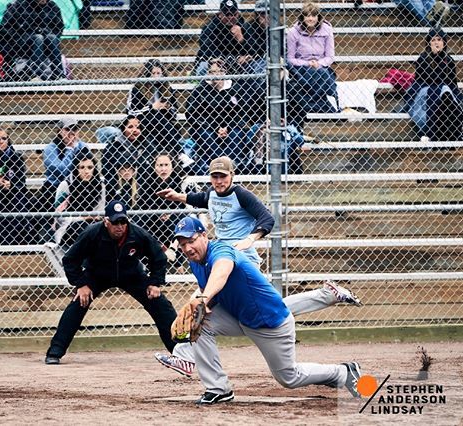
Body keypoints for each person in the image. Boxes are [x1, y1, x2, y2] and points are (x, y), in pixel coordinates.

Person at [154, 156, 362, 377]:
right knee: (266, 308)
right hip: (219, 258)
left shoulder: (241, 195)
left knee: (199, 302)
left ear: (232, 176)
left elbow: (267, 218)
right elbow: (201, 198)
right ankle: (327, 295)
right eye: (214, 176)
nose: (219, 181)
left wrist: (250, 239)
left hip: (241, 260)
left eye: (223, 176)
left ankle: (184, 355)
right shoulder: (212, 194)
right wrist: (179, 197)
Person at [166, 216, 363, 404]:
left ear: (204, 236)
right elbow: (210, 289)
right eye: (182, 244)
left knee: (289, 377)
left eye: (191, 241)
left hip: (269, 323)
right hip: (239, 317)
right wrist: (198, 305)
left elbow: (221, 272)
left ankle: (344, 373)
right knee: (199, 322)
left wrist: (201, 299)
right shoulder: (195, 261)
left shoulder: (221, 251)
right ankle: (218, 390)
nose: (187, 248)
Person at [44, 199, 178, 365]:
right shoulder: (92, 233)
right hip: (97, 274)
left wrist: (155, 282)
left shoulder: (137, 234)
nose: (119, 226)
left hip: (131, 274)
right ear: (106, 221)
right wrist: (81, 284)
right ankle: (55, 352)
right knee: (78, 303)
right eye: (115, 222)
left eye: (123, 221)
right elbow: (70, 259)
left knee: (160, 304)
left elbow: (158, 258)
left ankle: (180, 352)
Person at [185, 58, 251, 175]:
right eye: (212, 72)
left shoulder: (235, 88)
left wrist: (227, 128)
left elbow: (242, 113)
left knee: (236, 133)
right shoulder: (200, 90)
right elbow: (191, 114)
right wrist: (216, 128)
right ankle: (219, 166)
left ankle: (229, 166)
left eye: (219, 71)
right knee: (205, 134)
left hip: (231, 127)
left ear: (225, 72)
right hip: (208, 127)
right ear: (207, 73)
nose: (216, 75)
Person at [33, 118, 88, 242]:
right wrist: (70, 150)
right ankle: (47, 233)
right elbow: (60, 170)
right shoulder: (50, 148)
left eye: (75, 129)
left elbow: (87, 167)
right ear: (60, 131)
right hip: (53, 189)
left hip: (77, 189)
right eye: (67, 129)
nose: (71, 133)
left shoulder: (83, 146)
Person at [286, 2, 338, 129]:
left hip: (321, 67)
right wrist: (307, 63)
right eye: (307, 15)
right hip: (301, 68)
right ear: (302, 17)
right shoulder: (293, 32)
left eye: (314, 15)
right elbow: (290, 58)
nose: (310, 18)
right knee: (314, 75)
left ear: (318, 17)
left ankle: (314, 105)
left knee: (322, 73)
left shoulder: (327, 30)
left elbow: (330, 57)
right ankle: (324, 105)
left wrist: (318, 63)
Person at [407, 27, 462, 142]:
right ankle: (432, 133)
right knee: (443, 89)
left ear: (444, 43)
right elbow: (432, 79)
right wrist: (435, 56)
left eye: (439, 39)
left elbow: (453, 84)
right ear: (428, 43)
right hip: (424, 94)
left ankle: (453, 133)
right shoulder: (423, 59)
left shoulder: (449, 60)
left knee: (448, 92)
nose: (436, 42)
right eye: (433, 40)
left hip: (444, 96)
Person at [127, 59, 183, 160]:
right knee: (156, 116)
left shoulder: (167, 88)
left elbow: (175, 112)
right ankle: (180, 153)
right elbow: (131, 111)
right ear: (147, 74)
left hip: (162, 126)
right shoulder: (137, 88)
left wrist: (168, 108)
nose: (156, 76)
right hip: (142, 121)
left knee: (159, 120)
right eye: (153, 73)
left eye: (159, 73)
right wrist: (152, 107)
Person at [52, 147, 105, 248]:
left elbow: (100, 210)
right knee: (82, 227)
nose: (86, 171)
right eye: (82, 167)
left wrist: (94, 217)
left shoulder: (100, 185)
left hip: (95, 225)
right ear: (76, 169)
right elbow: (59, 215)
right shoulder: (65, 185)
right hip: (70, 228)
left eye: (90, 167)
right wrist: (82, 218)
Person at [1, 0, 65, 80]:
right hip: (21, 44)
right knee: (38, 38)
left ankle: (59, 74)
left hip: (45, 44)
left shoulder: (52, 6)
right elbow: (5, 28)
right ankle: (33, 74)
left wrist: (46, 32)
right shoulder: (16, 5)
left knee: (51, 37)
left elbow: (59, 28)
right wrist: (27, 30)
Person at [194, 0, 254, 76]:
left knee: (252, 66)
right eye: (226, 14)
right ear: (220, 14)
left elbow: (252, 48)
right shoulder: (210, 27)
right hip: (215, 60)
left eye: (233, 14)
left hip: (237, 62)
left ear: (238, 14)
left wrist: (241, 39)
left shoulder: (244, 26)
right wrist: (216, 59)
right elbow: (206, 46)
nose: (230, 17)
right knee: (202, 68)